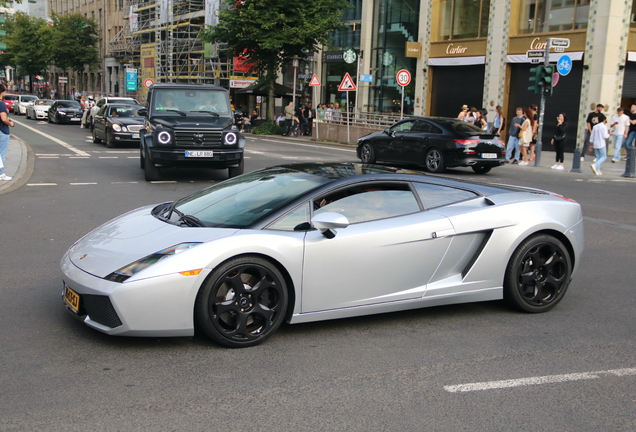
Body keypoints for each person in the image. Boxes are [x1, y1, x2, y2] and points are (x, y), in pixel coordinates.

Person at [0, 84, 15, 181]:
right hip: (2, 131)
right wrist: (11, 123)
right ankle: (1, 173)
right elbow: (3, 118)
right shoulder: (1, 104)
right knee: (1, 154)